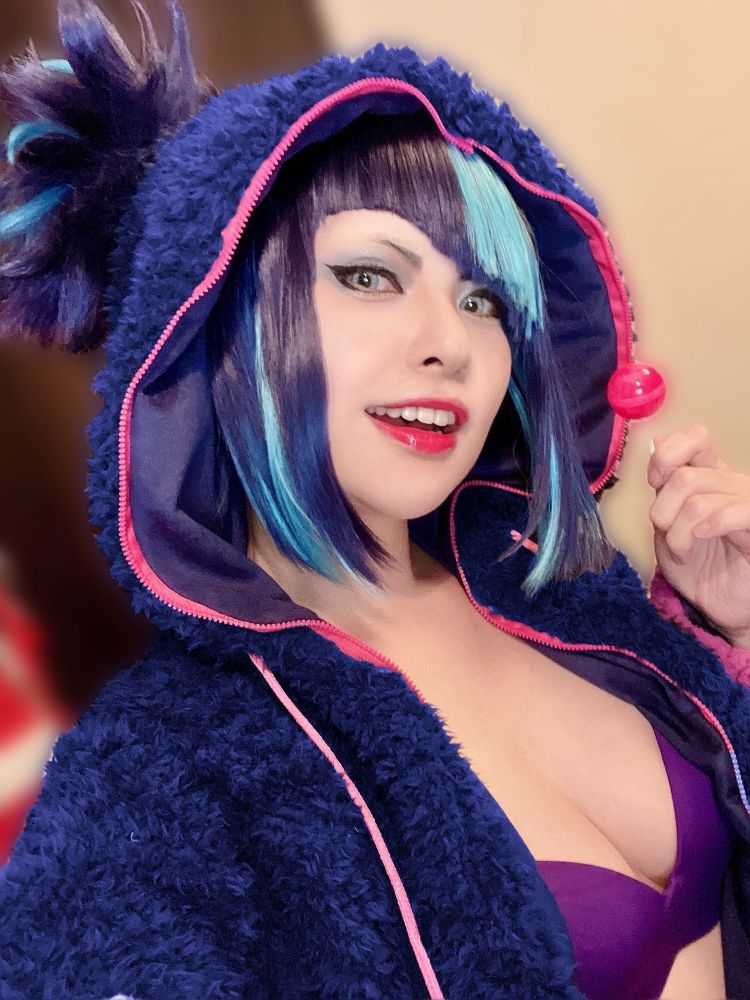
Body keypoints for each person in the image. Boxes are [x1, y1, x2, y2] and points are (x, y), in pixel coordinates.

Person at [0, 2, 749, 997]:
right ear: (221, 320)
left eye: (484, 298)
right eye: (369, 275)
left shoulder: (570, 599)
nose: (451, 342)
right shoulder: (160, 775)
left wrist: (723, 631)